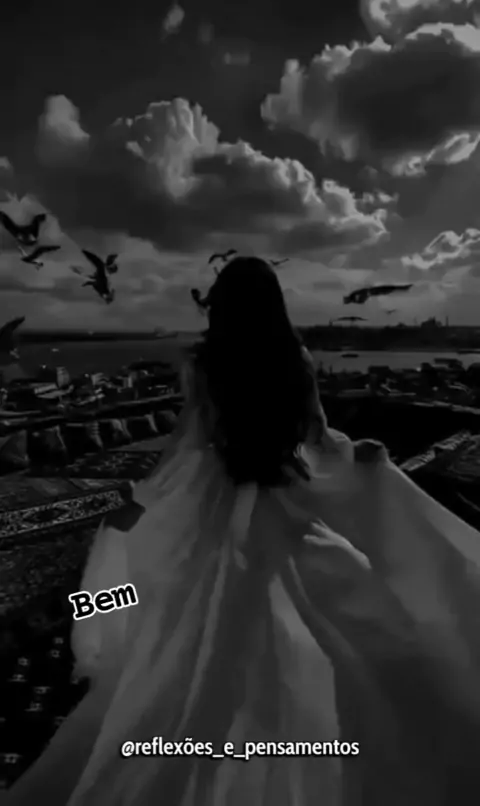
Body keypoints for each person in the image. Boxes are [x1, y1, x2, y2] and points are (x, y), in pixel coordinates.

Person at [5, 255, 480, 806]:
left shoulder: (204, 363)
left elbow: (188, 443)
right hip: (282, 491)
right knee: (317, 607)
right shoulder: (294, 358)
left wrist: (143, 499)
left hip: (217, 494)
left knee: (175, 597)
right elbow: (318, 435)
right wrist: (362, 455)